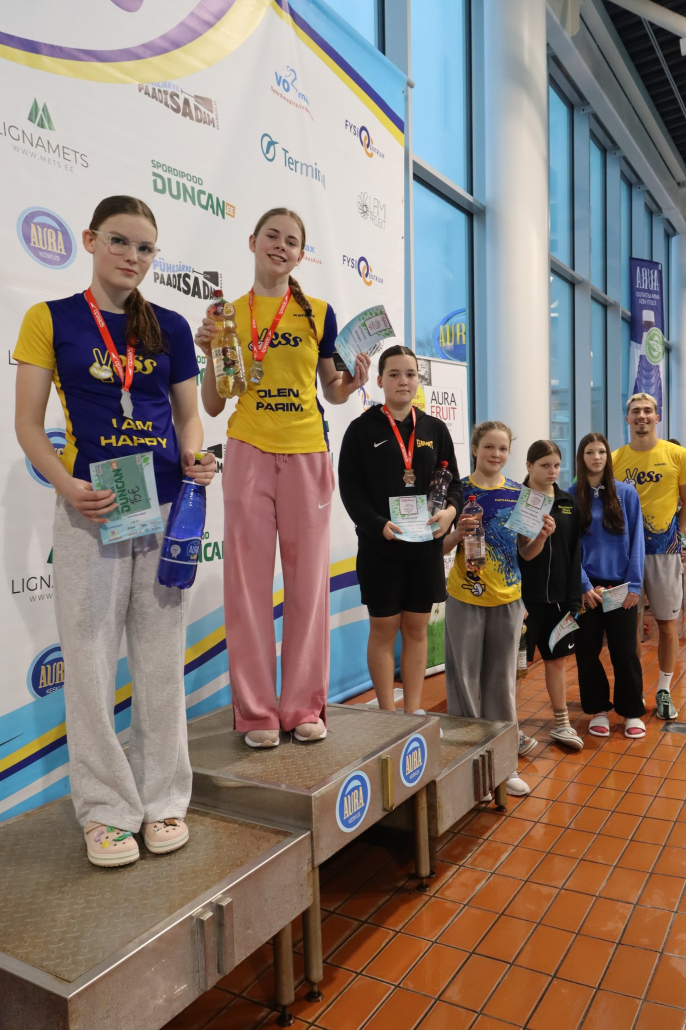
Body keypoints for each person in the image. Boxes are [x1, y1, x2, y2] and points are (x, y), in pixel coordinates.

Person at [13, 196, 216, 867]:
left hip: (163, 506)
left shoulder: (171, 327)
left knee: (160, 663)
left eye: (145, 248)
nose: (133, 256)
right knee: (90, 662)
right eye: (120, 242)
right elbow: (27, 423)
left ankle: (164, 801)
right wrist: (65, 484)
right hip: (92, 508)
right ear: (90, 240)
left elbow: (188, 418)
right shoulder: (50, 319)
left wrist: (195, 456)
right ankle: (105, 811)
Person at [195, 207, 369, 748]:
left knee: (308, 585)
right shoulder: (227, 314)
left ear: (300, 254)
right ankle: (255, 713)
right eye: (272, 236)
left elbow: (332, 390)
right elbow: (214, 403)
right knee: (246, 586)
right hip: (247, 451)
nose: (280, 246)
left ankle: (302, 706)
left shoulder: (318, 313)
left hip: (307, 453)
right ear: (252, 241)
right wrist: (209, 353)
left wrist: (352, 383)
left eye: (291, 241)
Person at [338, 345, 462, 716]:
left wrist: (450, 512)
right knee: (383, 629)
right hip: (381, 547)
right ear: (380, 381)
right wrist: (377, 525)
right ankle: (387, 715)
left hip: (424, 548)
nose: (403, 381)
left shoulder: (434, 428)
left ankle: (412, 711)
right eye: (394, 374)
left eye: (410, 374)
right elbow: (350, 489)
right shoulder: (362, 429)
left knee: (417, 630)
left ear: (417, 380)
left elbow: (454, 484)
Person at [442, 421, 530, 796]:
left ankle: (504, 765)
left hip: (508, 600)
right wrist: (457, 534)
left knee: (501, 686)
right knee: (463, 685)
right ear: (475, 448)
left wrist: (542, 537)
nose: (496, 454)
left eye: (503, 448)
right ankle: (468, 770)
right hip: (465, 598)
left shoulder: (519, 493)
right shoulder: (459, 491)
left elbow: (527, 552)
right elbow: (438, 546)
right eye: (489, 447)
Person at [612, 393, 686, 721]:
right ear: (627, 418)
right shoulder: (614, 459)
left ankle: (664, 690)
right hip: (624, 556)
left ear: (657, 417)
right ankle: (633, 689)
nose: (641, 415)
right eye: (635, 411)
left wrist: (679, 536)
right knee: (629, 627)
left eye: (647, 410)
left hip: (663, 553)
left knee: (667, 625)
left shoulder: (677, 455)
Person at [569, 434, 645, 737]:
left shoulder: (626, 493)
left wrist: (634, 585)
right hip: (586, 589)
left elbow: (637, 539)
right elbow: (568, 547)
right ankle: (598, 709)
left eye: (601, 451)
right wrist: (582, 585)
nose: (597, 457)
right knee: (587, 652)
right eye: (590, 452)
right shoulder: (570, 496)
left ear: (608, 456)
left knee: (624, 651)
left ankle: (631, 711)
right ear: (582, 457)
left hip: (620, 587)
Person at [517, 440, 583, 750]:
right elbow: (518, 553)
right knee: (518, 668)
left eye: (556, 465)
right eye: (545, 465)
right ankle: (511, 727)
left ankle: (562, 723)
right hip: (525, 602)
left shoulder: (568, 502)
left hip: (559, 600)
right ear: (529, 466)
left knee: (557, 661)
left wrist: (573, 598)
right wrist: (515, 599)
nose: (552, 471)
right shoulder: (519, 500)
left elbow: (574, 552)